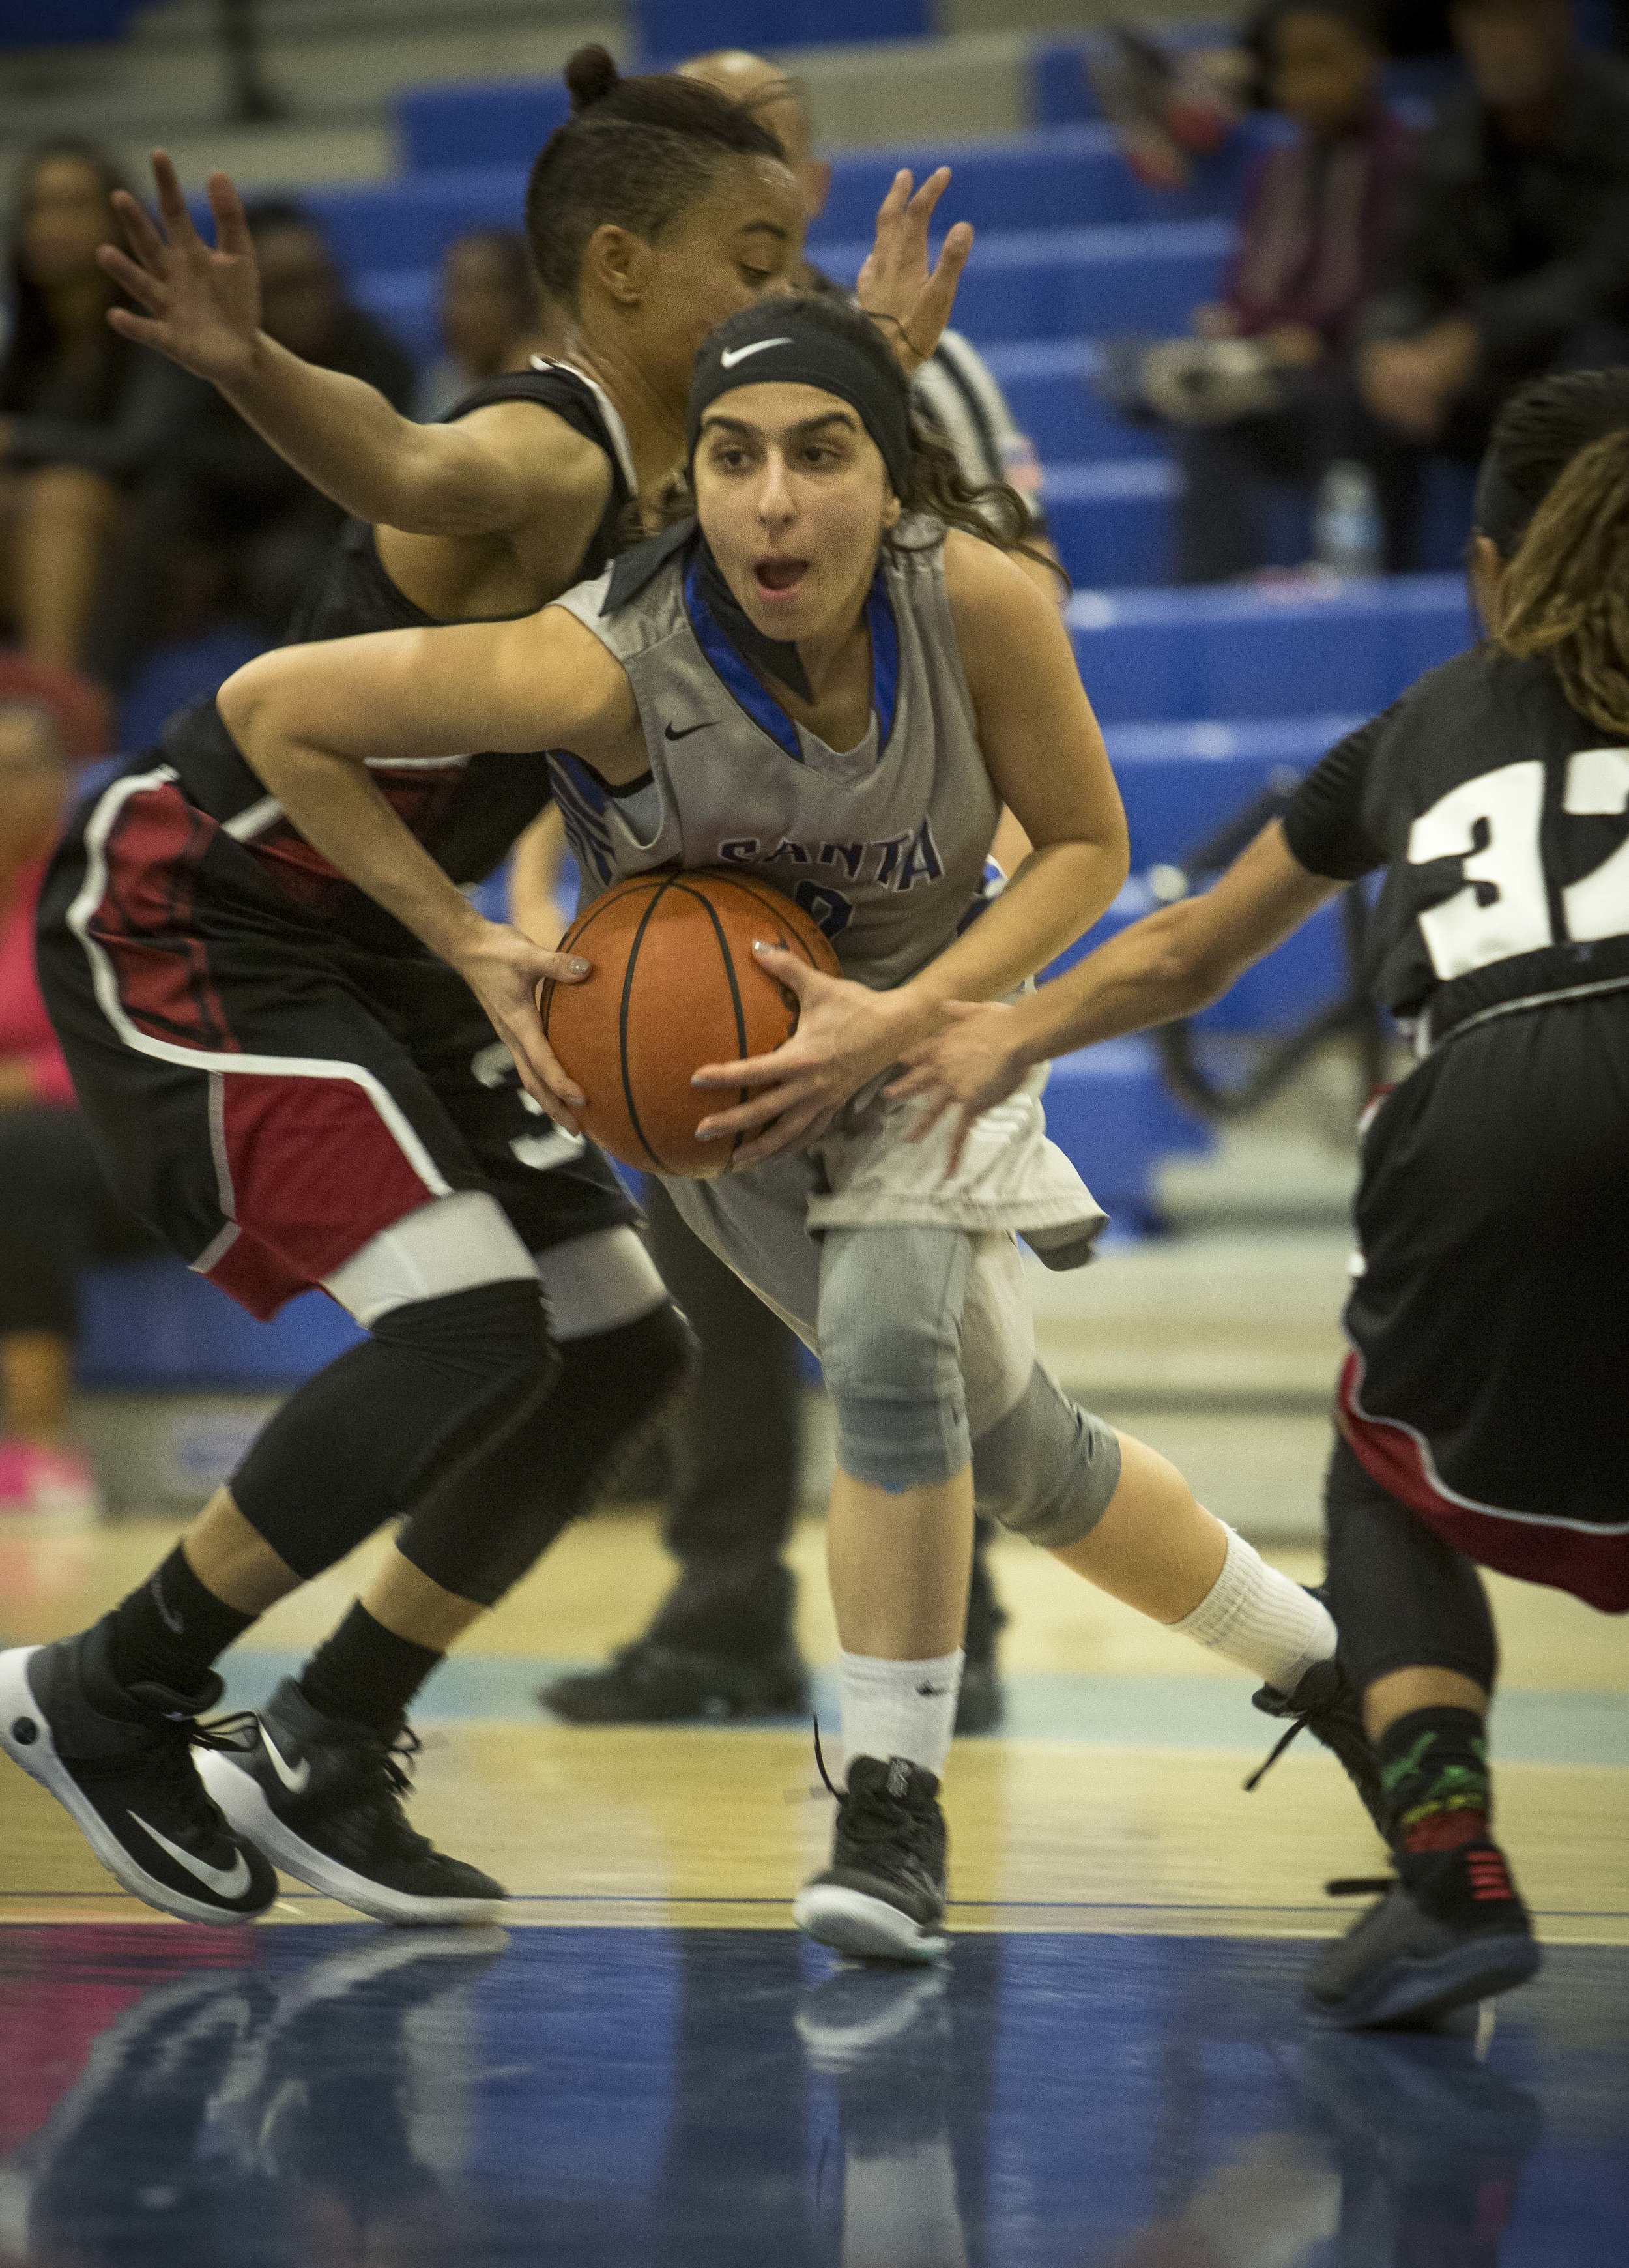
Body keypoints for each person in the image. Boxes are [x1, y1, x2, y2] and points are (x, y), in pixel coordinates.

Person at [193, 293, 1382, 1965]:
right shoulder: (599, 657)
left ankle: (888, 1809)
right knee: (1022, 1449)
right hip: (715, 1098)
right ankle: (1356, 1685)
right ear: (694, 488)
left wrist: (914, 1014)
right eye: (735, 459)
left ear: (891, 484)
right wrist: (463, 938)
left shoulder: (975, 600)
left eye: (822, 456)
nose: (774, 502)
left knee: (895, 1344)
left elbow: (1083, 851)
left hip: (928, 1035)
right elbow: (273, 712)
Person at [0, 50, 973, 1934]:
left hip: (363, 926)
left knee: (618, 1342)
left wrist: (875, 355)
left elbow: (797, 527)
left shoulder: (703, 459)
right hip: (198, 907)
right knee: (464, 1328)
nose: (779, 295)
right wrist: (249, 364)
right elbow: (411, 462)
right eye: (749, 256)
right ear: (618, 272)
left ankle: (334, 1736)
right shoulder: (554, 439)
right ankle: (105, 1688)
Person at [893, 364, 1629, 2022]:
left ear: (1493, 569)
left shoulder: (1427, 721)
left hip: (1493, 1111)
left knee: (1390, 1480)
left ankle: (1451, 1871)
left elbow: (1189, 949)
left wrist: (1011, 1031)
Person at [537, 43, 1054, 1735]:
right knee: (709, 1237)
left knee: (909, 1303)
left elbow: (1002, 597)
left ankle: (941, 1618)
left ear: (799, 191)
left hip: (899, 902)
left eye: (764, 159)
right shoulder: (625, 420)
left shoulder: (910, 383)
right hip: (707, 894)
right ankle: (721, 1601)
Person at [85, 199, 418, 692]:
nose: (308, 300)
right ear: (246, 293)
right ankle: (90, 701)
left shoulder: (379, 355)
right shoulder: (207, 351)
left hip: (320, 524)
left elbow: (378, 479)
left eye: (317, 280)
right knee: (146, 533)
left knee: (294, 564)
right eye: (285, 288)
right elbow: (177, 457)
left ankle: (303, 711)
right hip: (221, 521)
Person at [1157, 1, 1420, 580]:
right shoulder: (1275, 168)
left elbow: (1395, 290)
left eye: (1322, 62)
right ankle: (1212, 606)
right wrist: (1249, 332)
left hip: (1353, 382)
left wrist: (1310, 338)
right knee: (1204, 407)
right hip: (1270, 373)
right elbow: (1246, 285)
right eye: (1290, 67)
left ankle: (1351, 588)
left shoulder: (1407, 160)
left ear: (1371, 60)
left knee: (1359, 397)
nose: (1305, 85)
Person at [0, 698, 152, 1517]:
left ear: (63, 783)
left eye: (20, 769)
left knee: (19, 1160)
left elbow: (128, 1039)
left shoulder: (100, 889)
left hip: (126, 1145)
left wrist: (13, 1086)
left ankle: (45, 1453)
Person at [1359, 0, 1629, 458]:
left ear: (1557, 19)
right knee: (1358, 398)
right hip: (1489, 357)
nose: (1498, 40)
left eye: (1515, 18)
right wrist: (1386, 342)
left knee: (1584, 381)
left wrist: (1478, 335)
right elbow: (1408, 266)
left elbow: (1608, 273)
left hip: (1592, 342)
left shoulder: (1618, 112)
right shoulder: (1452, 129)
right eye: (1482, 21)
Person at [0, 139, 192, 675]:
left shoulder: (162, 316)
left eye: (69, 206)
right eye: (36, 207)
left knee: (62, 497)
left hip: (161, 525)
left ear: (118, 220)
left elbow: (143, 449)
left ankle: (57, 703)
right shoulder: (23, 333)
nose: (48, 225)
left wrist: (18, 438)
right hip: (34, 518)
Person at [416, 228, 543, 421]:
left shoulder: (544, 389)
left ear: (520, 301)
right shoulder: (442, 383)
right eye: (452, 291)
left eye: (474, 293)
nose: (456, 312)